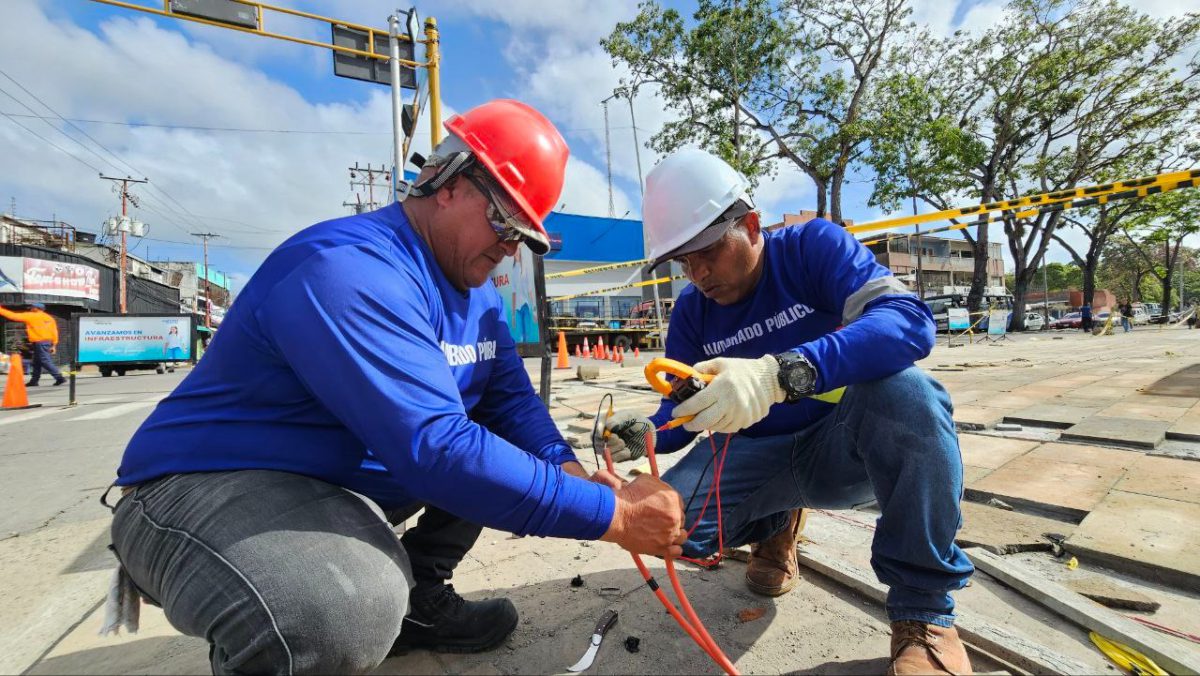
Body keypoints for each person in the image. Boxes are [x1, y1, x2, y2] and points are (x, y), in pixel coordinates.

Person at [105, 100, 685, 675]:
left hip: (315, 482)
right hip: (194, 492)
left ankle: (419, 605)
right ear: (447, 183)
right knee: (341, 608)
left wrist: (570, 472)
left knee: (497, 450)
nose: (510, 248)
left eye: (523, 236)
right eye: (504, 222)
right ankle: (278, 622)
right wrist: (613, 516)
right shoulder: (348, 268)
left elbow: (509, 403)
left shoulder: (474, 293)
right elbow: (437, 449)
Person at [601, 149, 974, 675]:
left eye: (707, 251)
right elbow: (680, 405)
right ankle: (776, 524)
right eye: (683, 263)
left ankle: (924, 615)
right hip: (754, 451)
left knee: (909, 393)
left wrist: (783, 374)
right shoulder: (692, 309)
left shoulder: (811, 249)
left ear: (750, 224)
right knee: (671, 530)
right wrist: (647, 434)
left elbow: (907, 321)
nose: (699, 272)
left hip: (842, 444)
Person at [0, 302, 66, 386]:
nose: (31, 308)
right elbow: (55, 331)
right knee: (37, 362)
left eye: (32, 307)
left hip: (39, 342)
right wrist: (54, 344)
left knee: (44, 361)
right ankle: (34, 381)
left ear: (36, 308)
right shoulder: (49, 318)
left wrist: (1, 310)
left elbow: (13, 316)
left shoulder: (32, 316)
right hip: (46, 342)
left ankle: (59, 377)